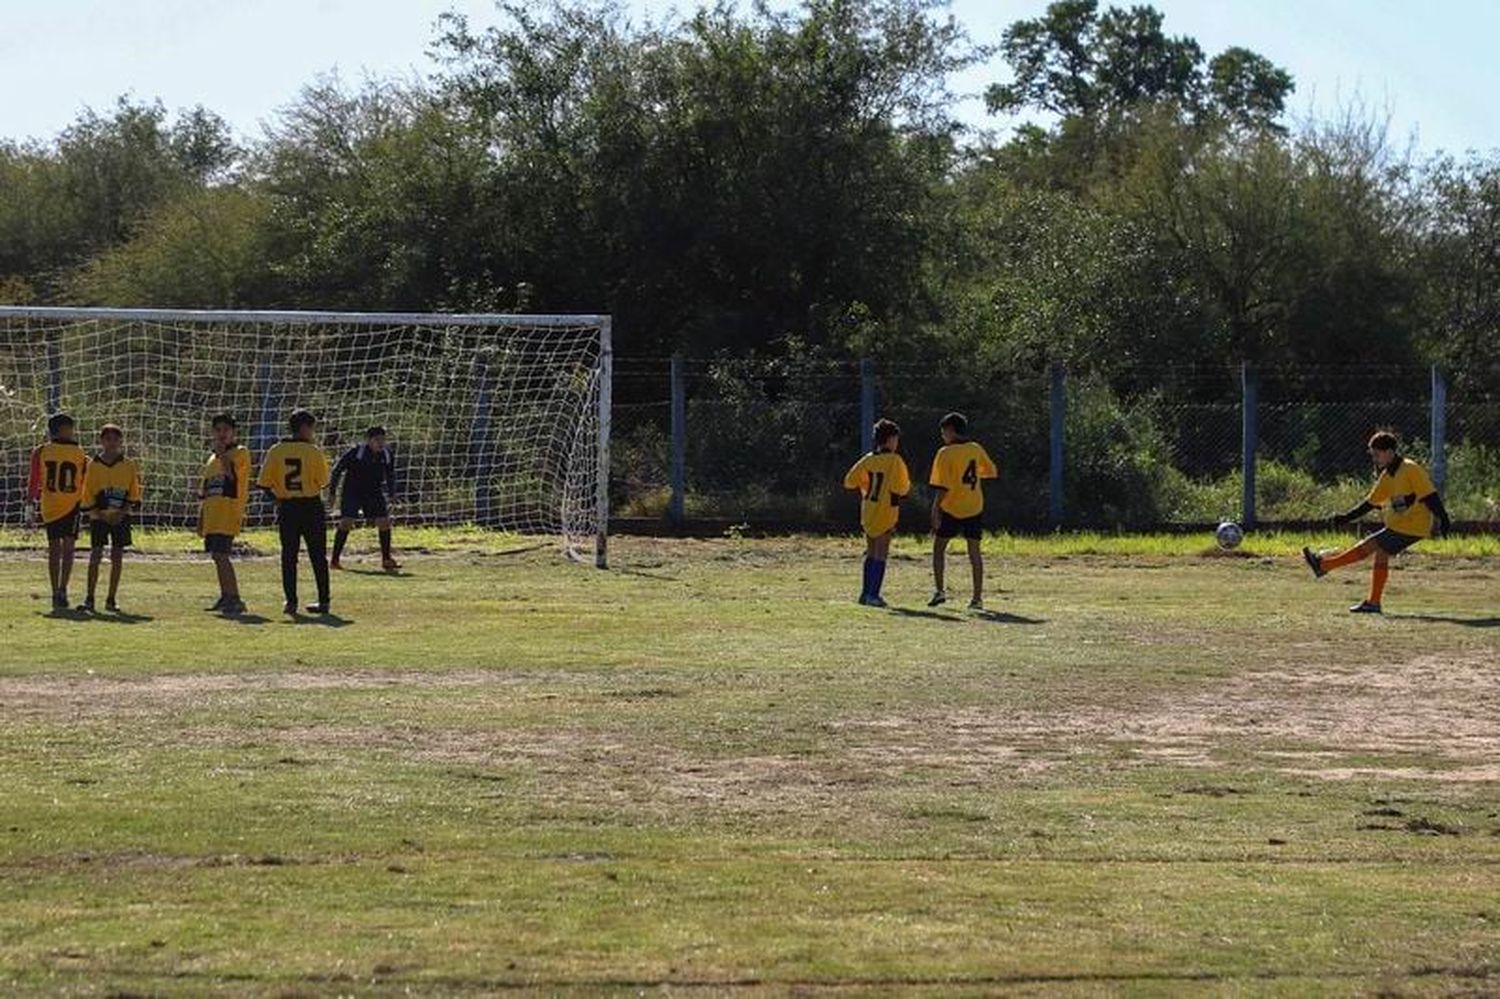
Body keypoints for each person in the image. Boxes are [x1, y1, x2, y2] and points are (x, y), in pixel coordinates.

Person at [1302, 430, 1451, 614]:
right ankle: (1372, 602)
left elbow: (1430, 496)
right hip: (1400, 525)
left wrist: (1443, 518)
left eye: (1377, 454)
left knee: (1371, 544)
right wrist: (1345, 518)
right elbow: (1369, 504)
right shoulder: (1388, 476)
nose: (1374, 458)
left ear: (1389, 451)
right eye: (1372, 454)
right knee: (1380, 553)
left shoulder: (1410, 469)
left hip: (1413, 525)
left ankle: (1324, 566)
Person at [256, 409, 332, 615]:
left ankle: (291, 601)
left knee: (289, 556)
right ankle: (324, 601)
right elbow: (324, 482)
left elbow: (262, 484)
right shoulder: (313, 451)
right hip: (311, 506)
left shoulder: (276, 450)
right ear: (304, 428)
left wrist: (278, 501)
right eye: (312, 428)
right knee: (318, 555)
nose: (313, 433)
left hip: (288, 507)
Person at [927, 412, 998, 610]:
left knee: (939, 548)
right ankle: (977, 598)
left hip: (952, 507)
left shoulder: (944, 453)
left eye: (944, 431)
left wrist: (935, 510)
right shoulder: (975, 448)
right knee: (974, 553)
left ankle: (940, 591)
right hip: (974, 506)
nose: (943, 435)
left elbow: (942, 486)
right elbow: (991, 470)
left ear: (950, 430)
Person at [842, 418, 911, 607]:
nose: (896, 443)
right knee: (881, 553)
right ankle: (874, 594)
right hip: (885, 510)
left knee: (871, 552)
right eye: (895, 439)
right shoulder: (895, 461)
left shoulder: (869, 459)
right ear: (889, 440)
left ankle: (865, 593)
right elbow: (903, 488)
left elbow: (849, 481)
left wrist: (865, 484)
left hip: (868, 509)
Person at [78, 424, 143, 612]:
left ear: (120, 441)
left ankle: (111, 599)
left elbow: (133, 494)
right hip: (99, 517)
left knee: (117, 556)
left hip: (120, 518)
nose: (111, 443)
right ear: (101, 441)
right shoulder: (94, 465)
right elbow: (88, 493)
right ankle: (89, 598)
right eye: (107, 439)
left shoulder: (128, 465)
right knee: (95, 555)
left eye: (115, 439)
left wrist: (121, 514)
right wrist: (98, 514)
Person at [27, 413, 88, 610]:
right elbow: (35, 479)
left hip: (71, 505)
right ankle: (56, 590)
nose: (71, 432)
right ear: (59, 430)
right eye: (68, 428)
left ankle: (62, 589)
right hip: (52, 505)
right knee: (56, 548)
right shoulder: (42, 451)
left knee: (68, 547)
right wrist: (30, 502)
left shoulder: (79, 453)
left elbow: (84, 478)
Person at [199, 413, 252, 615]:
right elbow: (205, 492)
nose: (222, 434)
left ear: (234, 432)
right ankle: (226, 595)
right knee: (216, 556)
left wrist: (222, 454)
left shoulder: (240, 452)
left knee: (222, 555)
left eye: (226, 430)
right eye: (218, 430)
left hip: (227, 513)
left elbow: (232, 476)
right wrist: (201, 518)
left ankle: (235, 598)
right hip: (212, 515)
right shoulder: (211, 459)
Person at [329, 425, 401, 571]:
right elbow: (337, 470)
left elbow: (390, 475)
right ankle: (334, 560)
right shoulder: (356, 452)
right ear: (368, 440)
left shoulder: (386, 454)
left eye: (383, 439)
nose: (381, 443)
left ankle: (386, 559)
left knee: (384, 522)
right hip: (352, 491)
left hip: (373, 492)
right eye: (377, 440)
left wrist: (392, 493)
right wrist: (332, 492)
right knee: (346, 522)